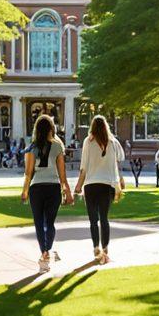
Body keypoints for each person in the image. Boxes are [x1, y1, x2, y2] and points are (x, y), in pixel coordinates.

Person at [21, 114, 72, 273]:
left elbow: (28, 173)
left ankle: (44, 253)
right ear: (51, 128)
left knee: (38, 222)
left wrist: (24, 191)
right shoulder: (58, 146)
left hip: (36, 188)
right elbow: (62, 173)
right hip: (53, 187)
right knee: (49, 223)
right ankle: (47, 251)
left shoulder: (31, 147)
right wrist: (67, 190)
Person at [73, 115, 125, 265]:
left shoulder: (88, 142)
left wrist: (78, 186)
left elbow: (84, 168)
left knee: (93, 220)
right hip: (107, 184)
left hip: (90, 185)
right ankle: (106, 248)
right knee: (104, 219)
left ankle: (96, 247)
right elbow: (119, 159)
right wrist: (119, 181)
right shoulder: (113, 142)